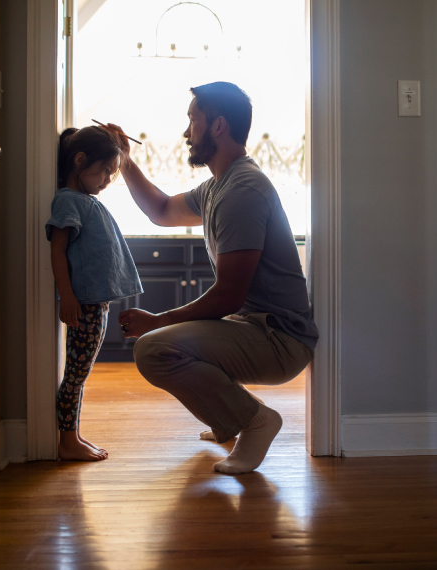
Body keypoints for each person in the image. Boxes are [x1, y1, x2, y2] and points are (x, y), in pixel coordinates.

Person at [111, 81, 319, 474]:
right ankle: (231, 418)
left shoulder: (242, 191)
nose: (187, 133)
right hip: (254, 328)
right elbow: (160, 210)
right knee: (164, 343)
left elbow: (227, 298)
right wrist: (124, 159)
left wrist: (157, 321)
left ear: (218, 126)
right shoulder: (217, 187)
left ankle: (255, 421)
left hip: (280, 340)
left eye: (193, 120)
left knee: (153, 349)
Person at [46, 126, 143, 461]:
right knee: (76, 374)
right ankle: (66, 441)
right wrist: (67, 296)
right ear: (80, 160)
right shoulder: (68, 201)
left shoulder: (82, 200)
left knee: (79, 373)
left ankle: (73, 435)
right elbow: (58, 251)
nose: (107, 179)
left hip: (93, 303)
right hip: (84, 304)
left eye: (112, 174)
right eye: (105, 170)